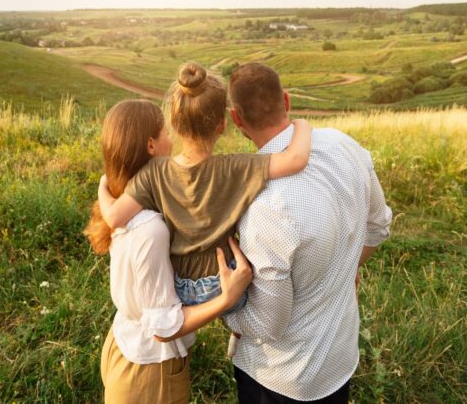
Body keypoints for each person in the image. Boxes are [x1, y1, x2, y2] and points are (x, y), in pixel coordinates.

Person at [224, 62, 393, 403]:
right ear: (286, 101)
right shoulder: (344, 145)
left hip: (281, 378)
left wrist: (226, 308)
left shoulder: (264, 206)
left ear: (236, 118)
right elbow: (379, 225)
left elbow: (268, 327)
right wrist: (343, 269)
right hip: (340, 358)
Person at [98, 62, 312, 320]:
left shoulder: (154, 171)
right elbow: (296, 159)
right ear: (222, 125)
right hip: (223, 283)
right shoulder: (235, 167)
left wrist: (103, 187)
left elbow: (113, 218)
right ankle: (239, 330)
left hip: (179, 289)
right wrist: (302, 125)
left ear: (175, 124)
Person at [85, 99, 254, 403]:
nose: (172, 139)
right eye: (165, 133)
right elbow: (164, 327)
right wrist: (227, 298)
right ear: (151, 145)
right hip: (151, 367)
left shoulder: (120, 198)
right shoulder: (150, 228)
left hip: (123, 343)